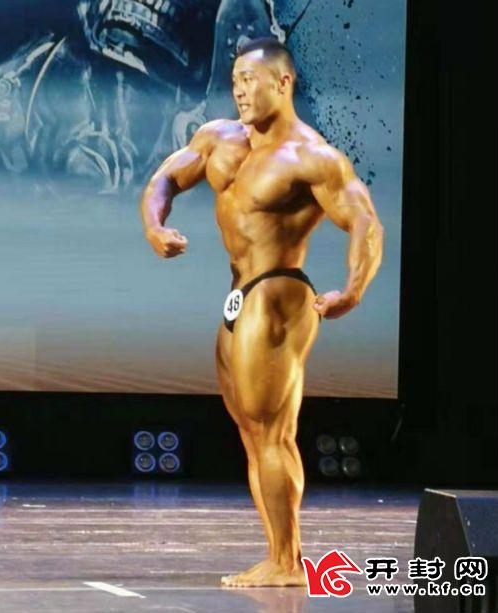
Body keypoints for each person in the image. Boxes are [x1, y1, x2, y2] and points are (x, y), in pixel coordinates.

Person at [140, 37, 383, 588]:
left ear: (283, 82)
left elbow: (365, 221)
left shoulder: (311, 156)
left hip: (278, 293)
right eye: (234, 83)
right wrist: (155, 225)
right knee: (253, 434)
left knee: (273, 433)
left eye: (250, 80)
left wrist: (353, 290)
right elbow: (164, 179)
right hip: (238, 295)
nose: (240, 92)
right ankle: (278, 556)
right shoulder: (219, 139)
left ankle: (289, 563)